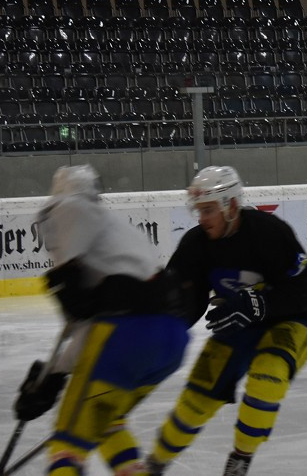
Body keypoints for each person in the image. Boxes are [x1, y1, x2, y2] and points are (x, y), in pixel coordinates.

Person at [145, 166, 307, 476]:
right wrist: (159, 325)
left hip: (293, 320)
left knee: (268, 378)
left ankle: (240, 459)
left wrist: (259, 304)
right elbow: (187, 301)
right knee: (196, 397)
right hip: (239, 323)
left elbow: (305, 294)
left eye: (208, 209)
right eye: (198, 210)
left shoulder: (270, 232)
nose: (201, 218)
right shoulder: (194, 244)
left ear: (231, 205)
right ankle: (154, 465)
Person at [13, 165, 189, 475]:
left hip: (124, 336)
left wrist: (50, 379)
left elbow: (89, 318)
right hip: (170, 339)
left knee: (68, 444)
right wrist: (55, 374)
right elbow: (94, 319)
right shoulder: (117, 230)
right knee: (106, 422)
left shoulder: (68, 208)